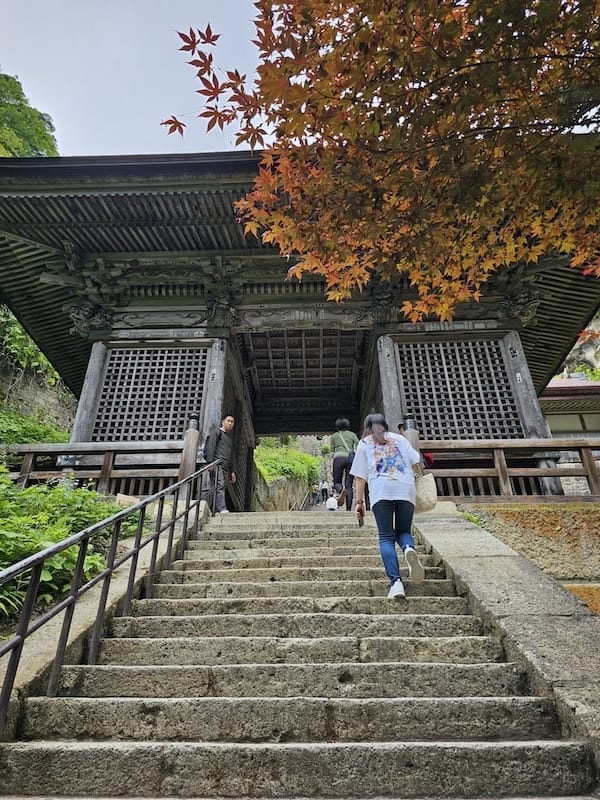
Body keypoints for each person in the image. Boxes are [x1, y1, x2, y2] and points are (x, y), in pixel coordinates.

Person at [351, 412, 425, 599]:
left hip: (381, 491)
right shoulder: (399, 439)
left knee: (386, 537)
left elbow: (360, 477)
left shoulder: (365, 443)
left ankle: (396, 583)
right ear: (385, 424)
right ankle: (408, 548)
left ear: (366, 427)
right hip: (405, 488)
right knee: (404, 531)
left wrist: (359, 503)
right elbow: (417, 461)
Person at [202, 413, 237, 513]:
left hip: (226, 467)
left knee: (217, 487)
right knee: (220, 485)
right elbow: (211, 446)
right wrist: (210, 462)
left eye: (232, 422)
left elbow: (232, 456)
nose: (230, 423)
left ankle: (205, 506)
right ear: (223, 422)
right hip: (217, 464)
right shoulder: (217, 432)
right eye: (228, 421)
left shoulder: (229, 439)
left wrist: (233, 471)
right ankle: (222, 508)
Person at [329, 417, 359, 511]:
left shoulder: (334, 436)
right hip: (350, 459)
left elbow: (332, 453)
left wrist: (331, 466)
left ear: (337, 426)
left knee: (336, 482)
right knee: (349, 484)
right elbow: (358, 446)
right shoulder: (352, 435)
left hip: (338, 459)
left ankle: (341, 491)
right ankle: (349, 509)